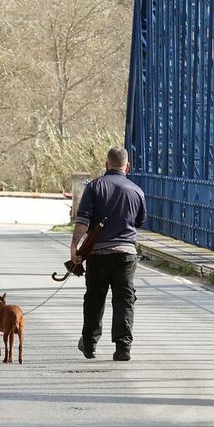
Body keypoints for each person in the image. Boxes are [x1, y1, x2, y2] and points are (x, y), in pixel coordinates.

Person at [70, 147, 146, 361]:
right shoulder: (136, 190)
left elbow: (83, 220)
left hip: (98, 254)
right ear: (127, 166)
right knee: (124, 299)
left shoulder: (94, 187)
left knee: (95, 298)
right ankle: (123, 347)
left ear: (106, 165)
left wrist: (75, 246)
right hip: (126, 254)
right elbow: (139, 221)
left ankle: (90, 344)